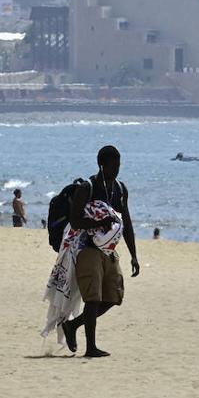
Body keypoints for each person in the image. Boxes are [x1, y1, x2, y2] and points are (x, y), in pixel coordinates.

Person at [61, 145, 139, 359]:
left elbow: (127, 223)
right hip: (87, 249)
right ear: (101, 165)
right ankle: (91, 347)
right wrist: (99, 220)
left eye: (119, 165)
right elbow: (75, 220)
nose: (117, 169)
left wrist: (134, 254)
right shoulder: (88, 187)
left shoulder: (120, 189)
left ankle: (72, 326)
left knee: (114, 296)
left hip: (109, 251)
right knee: (93, 299)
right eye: (113, 165)